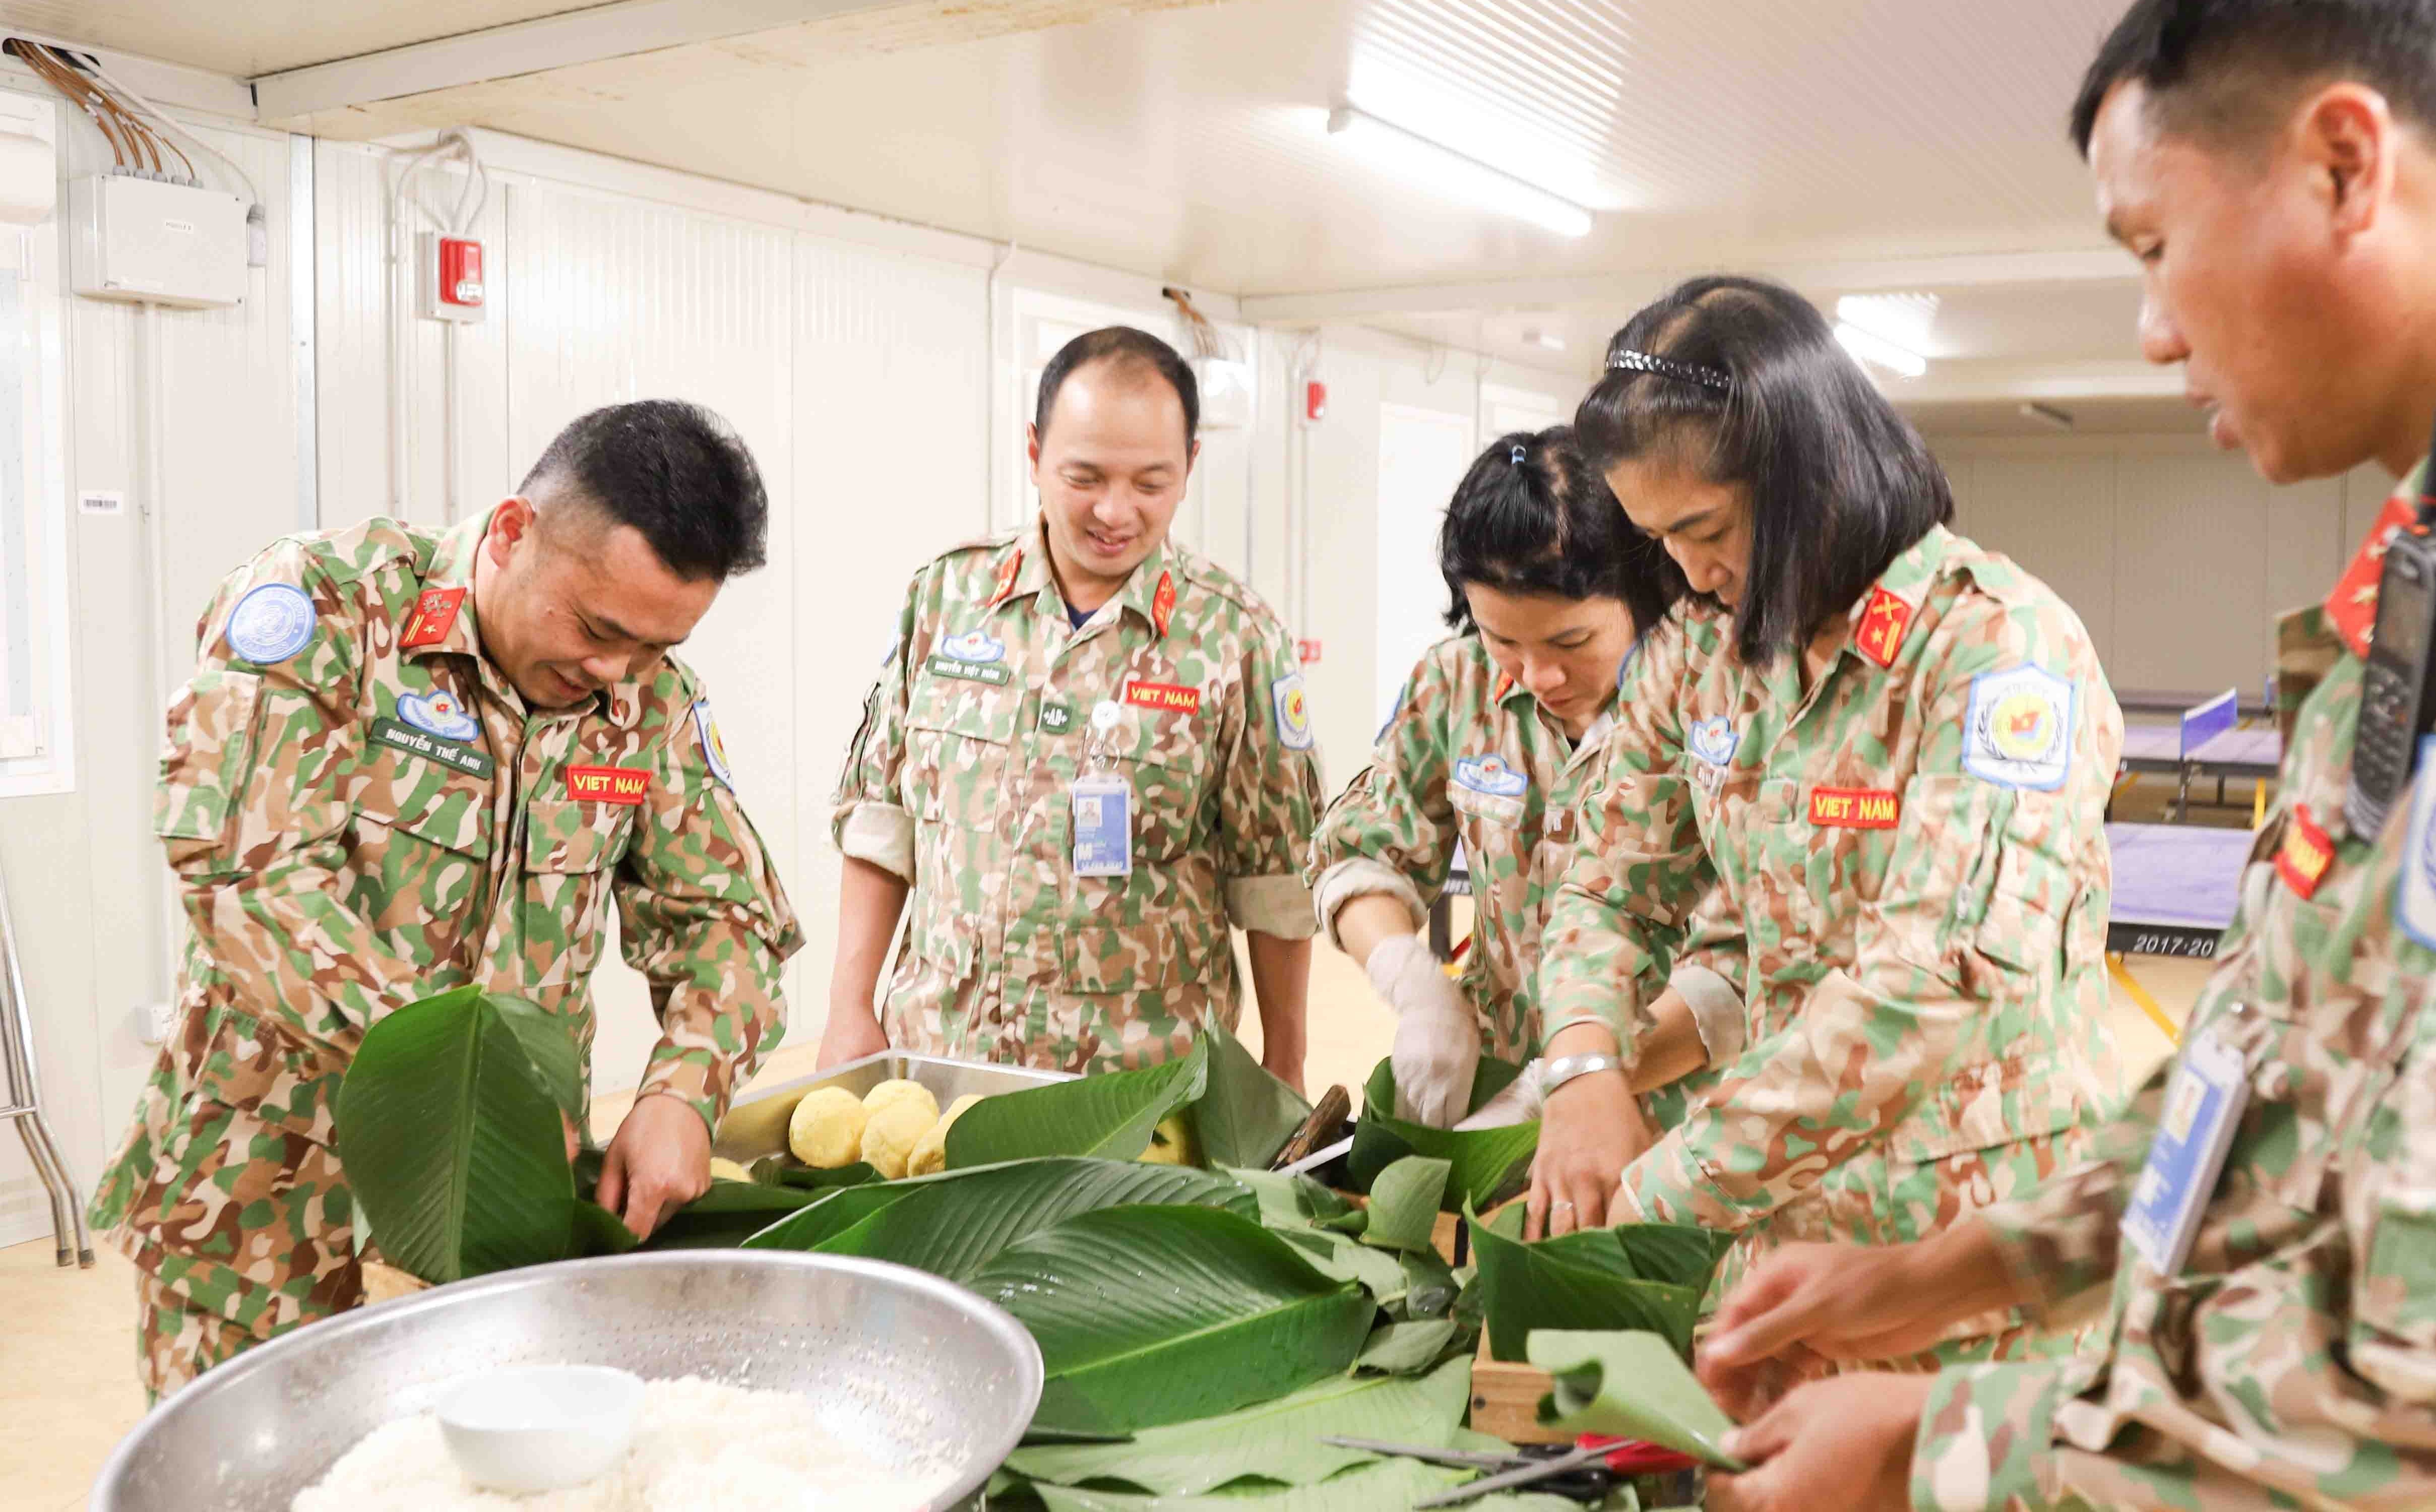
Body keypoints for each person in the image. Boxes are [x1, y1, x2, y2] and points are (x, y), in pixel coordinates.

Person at [1694, 5, 2436, 1509]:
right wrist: (1949, 1273)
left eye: (2154, 248)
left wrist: (1938, 1445)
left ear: (2347, 166)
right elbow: (2268, 1075)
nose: (2153, 329)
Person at [89, 400, 802, 1400]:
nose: (616, 674)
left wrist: (684, 1088)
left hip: (491, 1227)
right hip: (265, 1204)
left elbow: (727, 920)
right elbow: (248, 869)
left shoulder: (648, 703)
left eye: (653, 648)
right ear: (513, 533)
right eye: (599, 629)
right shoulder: (328, 610)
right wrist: (469, 1093)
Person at [1523, 275, 2127, 1339]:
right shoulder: (1703, 654)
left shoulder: (1995, 651)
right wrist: (1579, 1065)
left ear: (1809, 471)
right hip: (1775, 1249)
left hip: (1968, 1271)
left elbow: (1925, 985)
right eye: (1657, 538)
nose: (1692, 573)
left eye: (1705, 526)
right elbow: (1606, 883)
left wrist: (1663, 1186)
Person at [822, 328, 1322, 1084]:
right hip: (942, 1059)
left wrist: (1285, 1062)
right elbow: (882, 820)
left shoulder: (1234, 638)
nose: (1115, 512)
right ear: (1034, 453)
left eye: (1150, 484)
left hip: (1137, 1083)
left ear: (1190, 465)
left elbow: (1276, 875)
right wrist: (847, 1008)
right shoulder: (950, 599)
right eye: (1084, 477)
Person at [1309, 427, 1732, 1128]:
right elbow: (1356, 849)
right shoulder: (1457, 684)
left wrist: (1570, 1081)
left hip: (1665, 1119)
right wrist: (1414, 987)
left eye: (1571, 643)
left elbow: (1740, 968)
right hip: (1491, 1094)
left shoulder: (1711, 706)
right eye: (1504, 640)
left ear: (1640, 591)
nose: (1538, 677)